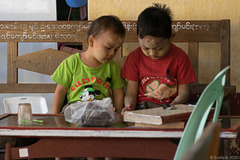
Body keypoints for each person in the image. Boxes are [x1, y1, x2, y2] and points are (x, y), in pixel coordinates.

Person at [51, 15, 126, 160]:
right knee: (59, 151)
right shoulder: (71, 63)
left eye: (116, 50)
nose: (112, 54)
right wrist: (55, 118)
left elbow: (118, 93)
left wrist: (117, 118)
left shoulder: (113, 67)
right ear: (92, 41)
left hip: (100, 116)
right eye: (108, 48)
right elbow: (60, 91)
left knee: (99, 151)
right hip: (75, 113)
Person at [121, 3, 197, 113]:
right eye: (146, 48)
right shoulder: (134, 58)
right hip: (142, 109)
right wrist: (129, 106)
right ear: (138, 38)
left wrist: (173, 106)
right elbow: (131, 93)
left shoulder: (180, 57)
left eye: (158, 48)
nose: (152, 53)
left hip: (170, 108)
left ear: (171, 38)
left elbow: (184, 93)